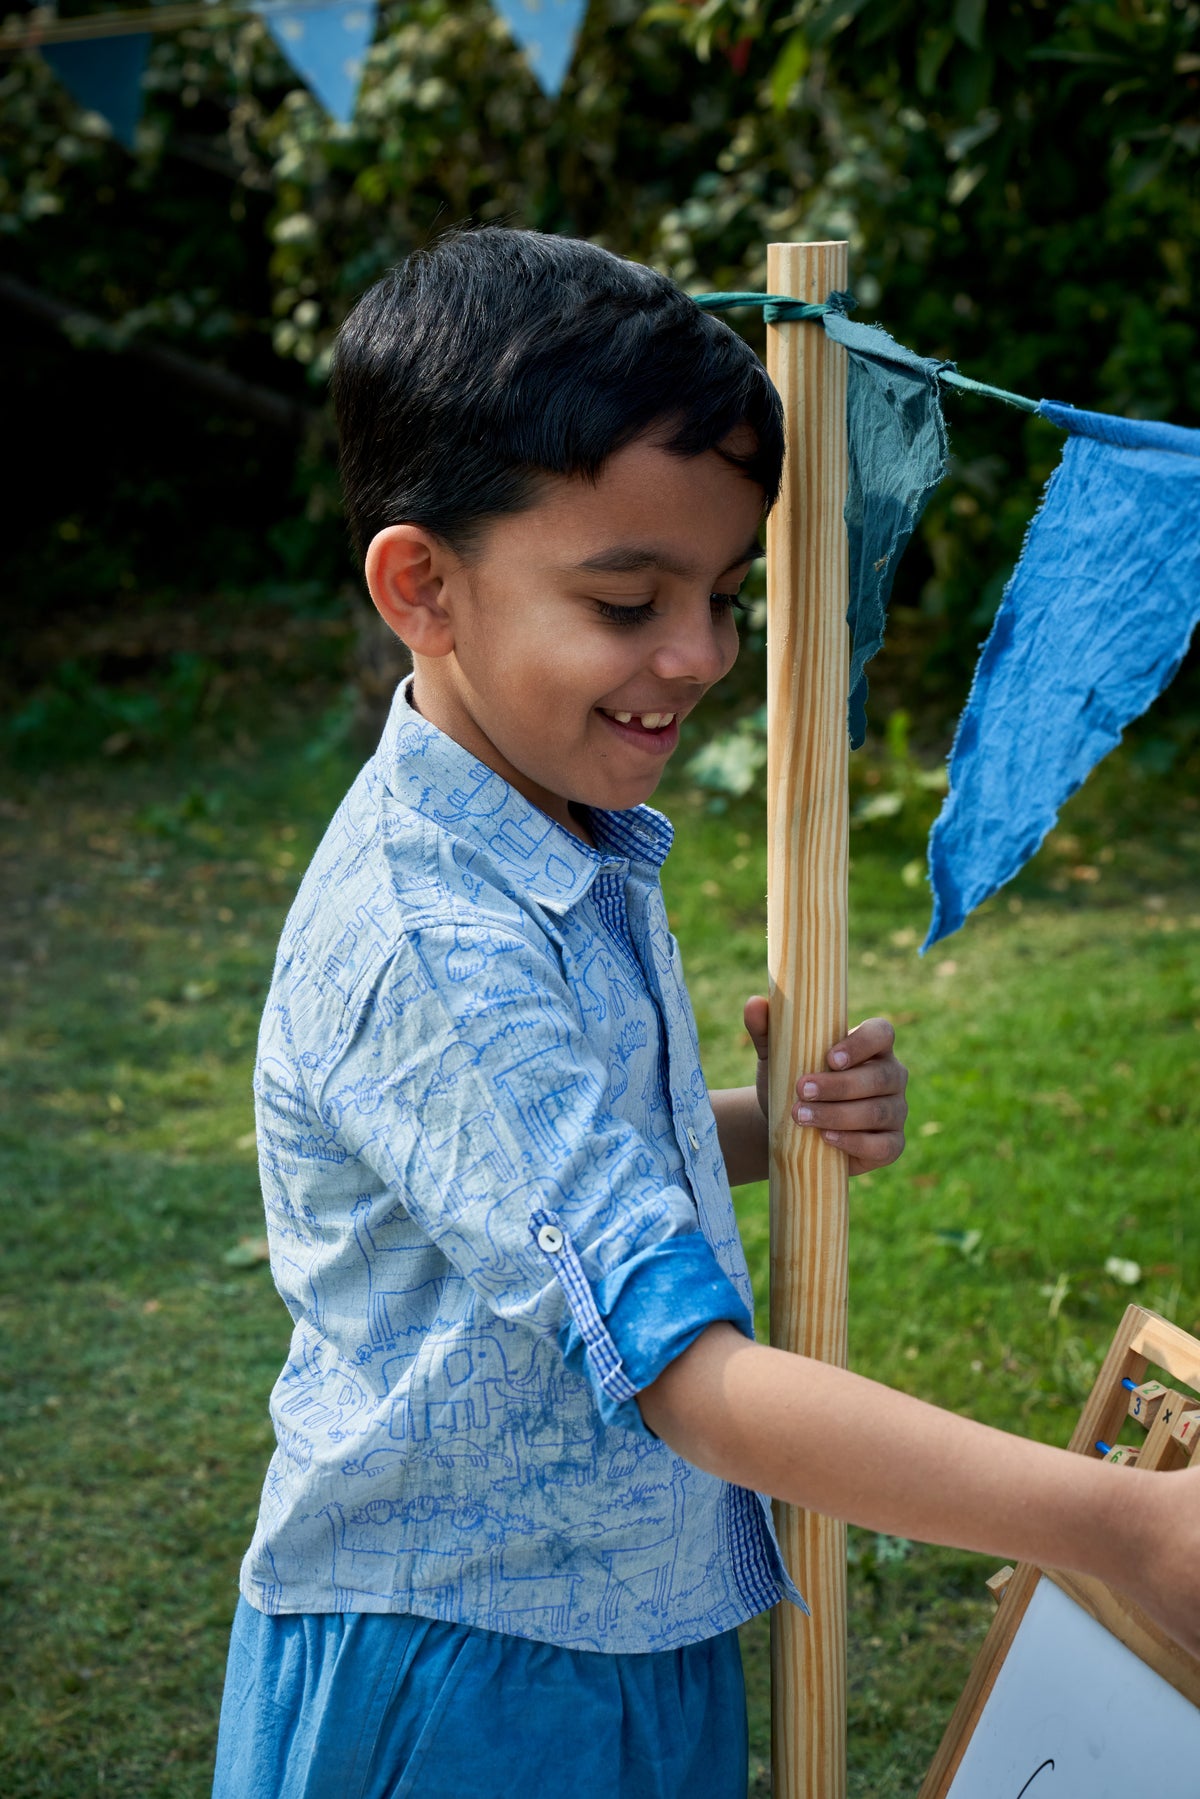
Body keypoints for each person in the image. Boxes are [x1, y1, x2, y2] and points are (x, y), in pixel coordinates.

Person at [213, 228, 1200, 1799]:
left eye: (728, 593)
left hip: (631, 1618)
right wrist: (1126, 1525)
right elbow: (685, 1377)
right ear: (424, 588)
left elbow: (532, 1177)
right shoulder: (434, 933)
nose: (698, 655)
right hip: (471, 1676)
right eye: (627, 601)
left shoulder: (547, 822)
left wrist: (755, 1126)